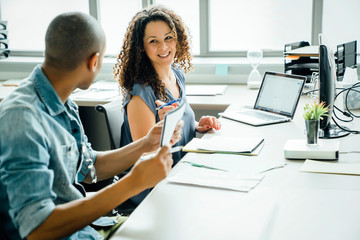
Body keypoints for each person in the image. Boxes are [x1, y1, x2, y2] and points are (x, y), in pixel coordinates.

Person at [0, 12, 183, 240]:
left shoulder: (64, 102)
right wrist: (133, 182)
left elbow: (89, 169)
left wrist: (146, 144)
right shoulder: (22, 117)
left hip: (87, 229)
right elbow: (38, 229)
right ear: (93, 61)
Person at [114, 5, 221, 169]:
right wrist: (165, 131)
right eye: (153, 41)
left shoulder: (177, 75)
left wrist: (197, 125)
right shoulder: (140, 93)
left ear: (177, 38)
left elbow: (179, 122)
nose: (163, 46)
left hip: (180, 169)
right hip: (150, 185)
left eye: (168, 37)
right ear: (141, 47)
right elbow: (146, 157)